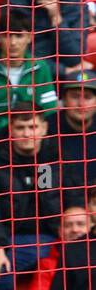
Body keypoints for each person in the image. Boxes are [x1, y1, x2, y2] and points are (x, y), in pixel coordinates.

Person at [0, 109, 64, 290]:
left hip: (54, 236)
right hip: (11, 239)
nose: (27, 133)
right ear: (11, 129)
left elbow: (73, 197)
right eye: (21, 128)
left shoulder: (57, 157)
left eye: (33, 127)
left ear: (44, 128)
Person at [0, 9, 59, 142]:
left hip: (34, 140)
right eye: (7, 36)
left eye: (18, 35)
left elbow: (50, 112)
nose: (13, 42)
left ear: (30, 37)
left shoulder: (40, 68)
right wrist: (1, 134)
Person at [44, 204, 96, 290]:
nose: (74, 229)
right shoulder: (48, 263)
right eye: (68, 225)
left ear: (90, 224)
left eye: (80, 224)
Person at [52, 71, 96, 207]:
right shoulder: (48, 129)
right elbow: (44, 180)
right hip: (60, 206)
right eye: (75, 97)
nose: (81, 104)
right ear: (64, 99)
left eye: (87, 97)